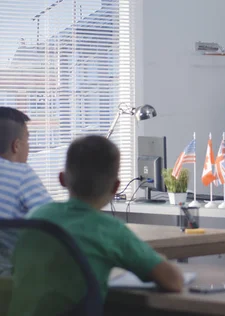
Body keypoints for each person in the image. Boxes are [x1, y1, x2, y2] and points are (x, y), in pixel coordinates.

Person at [8, 135, 184, 316]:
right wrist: (159, 260)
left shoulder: (35, 218)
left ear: (62, 179)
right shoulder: (110, 230)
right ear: (115, 187)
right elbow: (174, 281)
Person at [0, 107, 52, 276]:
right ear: (16, 145)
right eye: (27, 141)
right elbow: (56, 224)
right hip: (11, 287)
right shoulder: (21, 174)